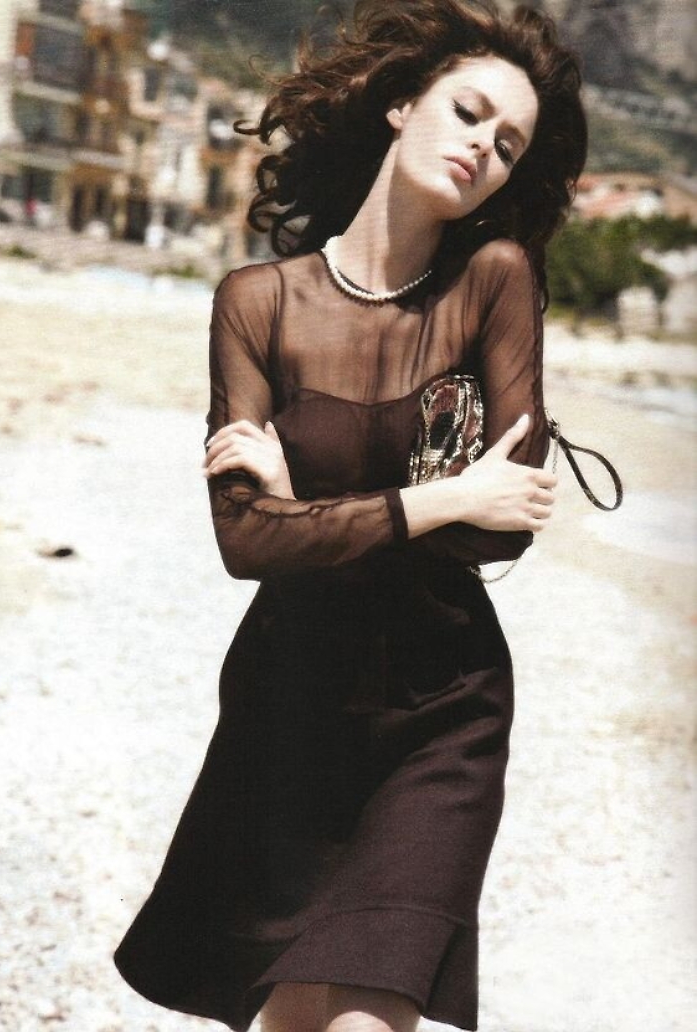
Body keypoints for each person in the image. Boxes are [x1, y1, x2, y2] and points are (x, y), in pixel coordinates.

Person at [114, 2, 587, 1030]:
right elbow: (247, 542)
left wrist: (308, 506)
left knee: (370, 1018)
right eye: (469, 112)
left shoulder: (493, 283)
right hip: (291, 702)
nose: (485, 147)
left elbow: (503, 521)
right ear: (402, 105)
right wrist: (443, 494)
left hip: (442, 708)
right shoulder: (257, 302)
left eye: (510, 145)